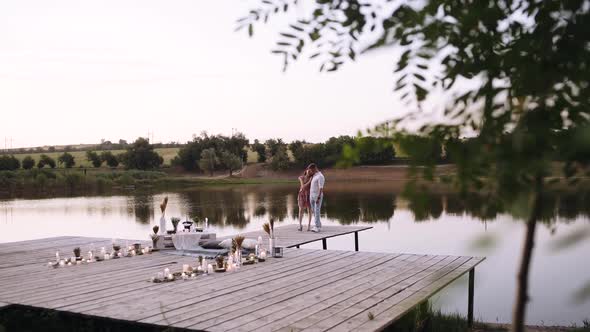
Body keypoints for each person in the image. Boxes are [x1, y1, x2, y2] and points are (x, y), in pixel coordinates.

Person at [308, 163, 325, 232]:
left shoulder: (320, 176)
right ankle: (318, 224)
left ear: (314, 168)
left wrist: (318, 198)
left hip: (317, 196)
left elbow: (321, 188)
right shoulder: (314, 175)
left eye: (311, 170)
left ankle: (317, 227)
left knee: (317, 211)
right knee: (314, 211)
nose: (310, 172)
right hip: (311, 195)